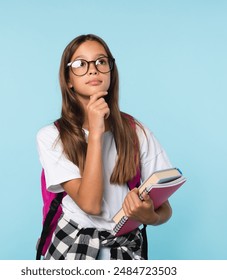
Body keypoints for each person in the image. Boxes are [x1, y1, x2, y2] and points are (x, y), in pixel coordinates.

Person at [36, 34, 173, 260]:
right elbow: (90, 204)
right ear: (68, 79)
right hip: (72, 245)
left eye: (101, 62)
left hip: (125, 249)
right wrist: (96, 132)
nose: (93, 69)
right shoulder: (52, 137)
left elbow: (165, 209)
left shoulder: (137, 132)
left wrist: (151, 217)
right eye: (80, 64)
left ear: (111, 72)